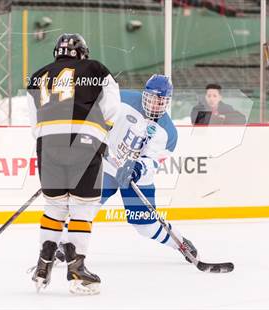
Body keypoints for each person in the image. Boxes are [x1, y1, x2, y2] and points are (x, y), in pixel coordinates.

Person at [57, 74, 198, 266]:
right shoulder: (122, 101)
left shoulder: (168, 133)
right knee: (87, 206)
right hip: (107, 167)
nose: (156, 105)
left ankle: (180, 243)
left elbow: (153, 161)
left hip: (136, 177)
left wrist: (138, 168)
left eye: (162, 101)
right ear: (144, 95)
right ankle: (63, 245)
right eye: (152, 99)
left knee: (144, 224)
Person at [27, 33, 121, 295]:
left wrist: (51, 145)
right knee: (83, 207)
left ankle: (43, 264)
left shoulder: (37, 75)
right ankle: (77, 270)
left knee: (55, 205)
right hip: (84, 143)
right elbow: (112, 107)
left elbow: (34, 121)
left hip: (48, 146)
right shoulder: (95, 69)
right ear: (82, 53)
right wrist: (101, 136)